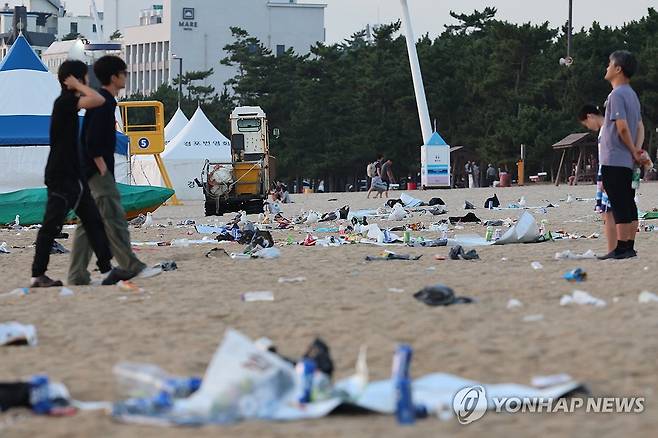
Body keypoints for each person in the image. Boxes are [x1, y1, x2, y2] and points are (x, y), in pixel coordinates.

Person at [68, 56, 161, 285]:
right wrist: (101, 168)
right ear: (114, 77)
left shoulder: (103, 101)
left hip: (88, 169)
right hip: (97, 171)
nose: (126, 77)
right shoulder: (105, 102)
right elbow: (91, 140)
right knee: (114, 218)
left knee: (89, 222)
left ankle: (77, 274)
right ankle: (131, 265)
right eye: (124, 73)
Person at [29, 61, 118, 288]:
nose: (88, 82)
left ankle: (107, 269)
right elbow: (98, 100)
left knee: (93, 221)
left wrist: (77, 84)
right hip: (60, 176)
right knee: (51, 226)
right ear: (75, 80)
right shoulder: (64, 102)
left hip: (74, 177)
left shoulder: (68, 103)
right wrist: (78, 84)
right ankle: (38, 275)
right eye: (84, 78)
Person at [597, 50, 645, 259]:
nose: (606, 68)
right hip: (626, 160)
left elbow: (622, 127)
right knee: (628, 201)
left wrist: (633, 150)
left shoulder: (616, 95)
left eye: (609, 64)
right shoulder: (632, 95)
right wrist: (637, 150)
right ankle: (629, 247)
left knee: (619, 203)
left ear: (618, 69)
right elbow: (640, 127)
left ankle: (622, 247)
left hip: (614, 157)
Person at [578, 104, 617, 254]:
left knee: (608, 214)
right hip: (607, 171)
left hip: (609, 171)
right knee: (607, 213)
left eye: (586, 123)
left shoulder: (607, 129)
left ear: (590, 116)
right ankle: (615, 248)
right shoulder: (606, 128)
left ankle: (612, 250)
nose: (588, 127)